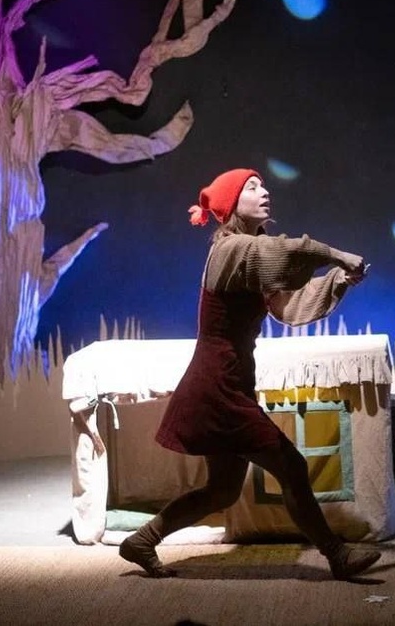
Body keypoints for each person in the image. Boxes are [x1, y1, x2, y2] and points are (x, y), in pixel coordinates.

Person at [119, 168, 380, 580]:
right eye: (252, 187)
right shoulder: (230, 250)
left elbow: (288, 304)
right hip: (217, 387)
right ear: (231, 204)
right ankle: (337, 555)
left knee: (222, 489)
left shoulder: (248, 257)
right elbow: (291, 252)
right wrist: (337, 255)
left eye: (262, 184)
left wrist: (338, 278)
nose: (264, 191)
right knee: (292, 467)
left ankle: (141, 541)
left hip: (226, 383)